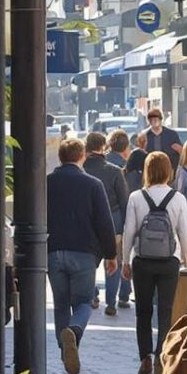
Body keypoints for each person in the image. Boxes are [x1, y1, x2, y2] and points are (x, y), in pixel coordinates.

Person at [46, 137, 119, 374]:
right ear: (82, 157)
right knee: (83, 302)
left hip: (54, 251)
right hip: (85, 253)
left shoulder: (47, 183)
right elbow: (104, 222)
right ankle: (74, 333)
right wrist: (110, 254)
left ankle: (63, 349)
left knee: (60, 303)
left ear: (61, 157)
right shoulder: (93, 184)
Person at [121, 151, 187, 374]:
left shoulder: (136, 197)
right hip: (170, 261)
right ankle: (162, 356)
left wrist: (125, 260)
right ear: (169, 171)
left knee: (142, 311)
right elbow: (184, 234)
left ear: (147, 171)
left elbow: (129, 231)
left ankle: (145, 358)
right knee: (166, 310)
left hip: (142, 260)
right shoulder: (178, 198)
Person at [82, 129, 130, 316]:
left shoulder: (82, 169)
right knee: (113, 262)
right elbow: (124, 200)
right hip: (114, 222)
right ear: (104, 147)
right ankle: (111, 302)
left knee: (89, 262)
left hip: (88, 223)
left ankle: (93, 294)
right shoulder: (115, 171)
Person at [102, 129, 136, 315]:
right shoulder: (124, 167)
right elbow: (127, 197)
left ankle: (102, 298)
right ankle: (120, 296)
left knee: (103, 258)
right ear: (125, 147)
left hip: (99, 215)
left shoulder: (100, 163)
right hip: (117, 217)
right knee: (120, 257)